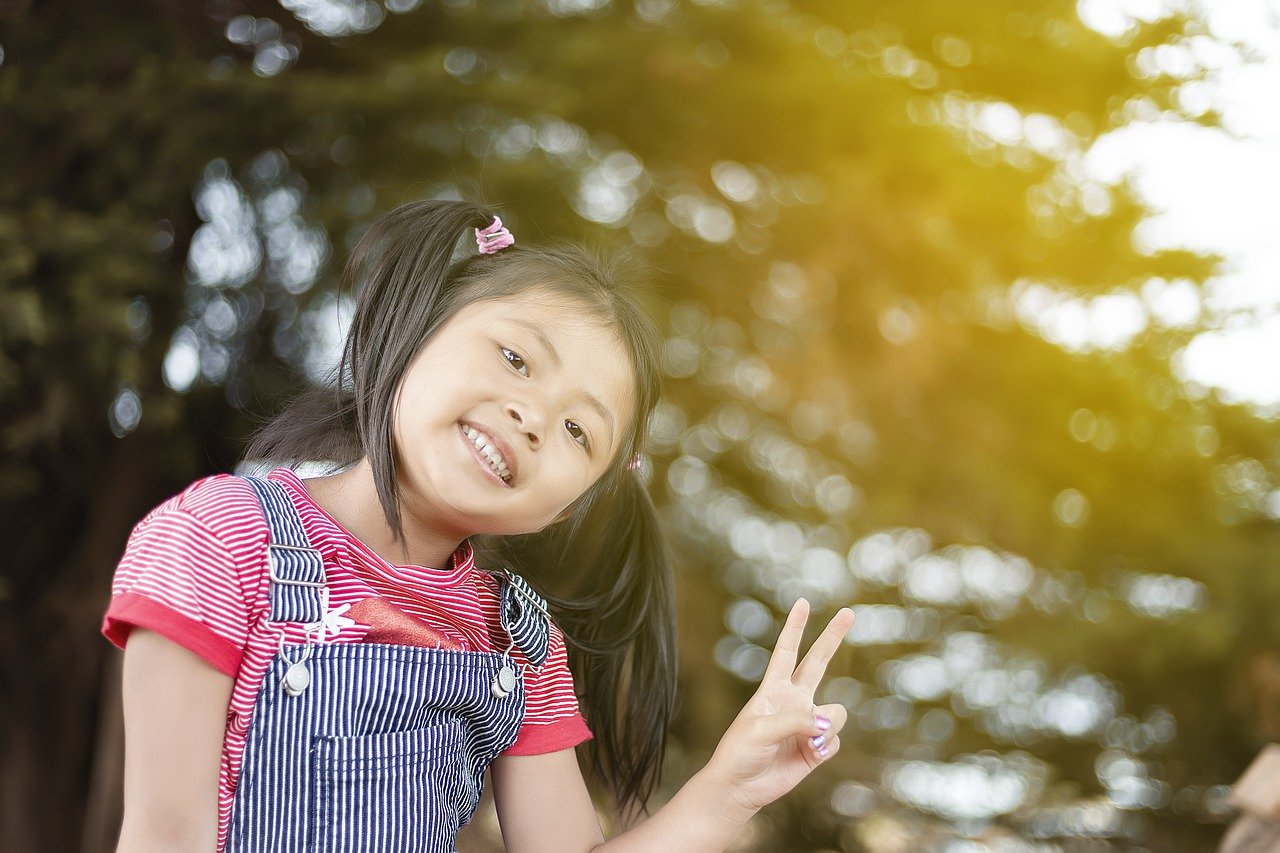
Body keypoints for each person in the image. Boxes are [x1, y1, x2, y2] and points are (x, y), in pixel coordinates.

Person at [102, 199, 855, 852]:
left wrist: (730, 787)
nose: (532, 418)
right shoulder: (220, 537)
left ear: (567, 506)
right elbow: (165, 834)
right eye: (516, 357)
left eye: (579, 433)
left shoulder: (517, 644)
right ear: (422, 325)